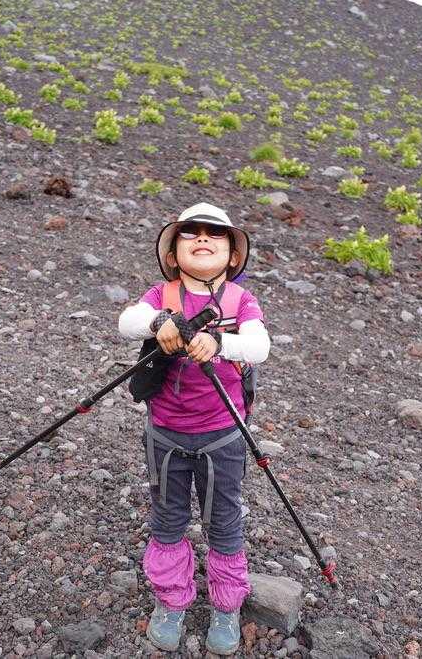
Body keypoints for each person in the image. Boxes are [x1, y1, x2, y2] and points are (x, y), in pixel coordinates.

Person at [118, 203, 270, 653]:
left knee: (223, 520)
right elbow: (127, 321)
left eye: (215, 233)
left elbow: (259, 345)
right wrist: (159, 322)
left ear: (233, 255)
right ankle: (171, 600)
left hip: (223, 434)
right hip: (165, 431)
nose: (202, 238)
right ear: (173, 253)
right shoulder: (161, 295)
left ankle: (227, 605)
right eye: (190, 232)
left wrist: (220, 342)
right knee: (167, 518)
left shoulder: (241, 301)